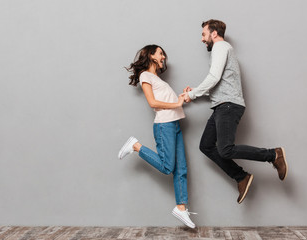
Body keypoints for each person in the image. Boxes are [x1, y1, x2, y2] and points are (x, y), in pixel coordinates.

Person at [182, 19, 288, 204]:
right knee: (206, 146)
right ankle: (242, 177)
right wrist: (194, 92)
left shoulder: (220, 47)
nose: (202, 39)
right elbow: (219, 84)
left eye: (203, 34)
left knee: (225, 149)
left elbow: (213, 77)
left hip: (228, 106)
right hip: (222, 105)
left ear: (214, 33)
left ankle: (273, 154)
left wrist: (193, 95)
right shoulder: (222, 50)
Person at [118, 45, 196, 228]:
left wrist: (182, 96)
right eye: (160, 53)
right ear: (151, 55)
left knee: (181, 169)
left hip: (174, 124)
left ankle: (181, 208)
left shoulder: (157, 78)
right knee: (168, 167)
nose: (163, 57)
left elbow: (168, 101)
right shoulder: (145, 75)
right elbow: (153, 103)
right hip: (164, 126)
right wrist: (177, 103)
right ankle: (136, 146)